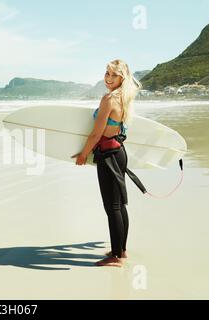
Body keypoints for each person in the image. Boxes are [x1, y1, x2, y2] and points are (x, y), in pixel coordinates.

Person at [72, 59, 142, 267]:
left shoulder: (109, 99)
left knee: (112, 207)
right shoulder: (125, 98)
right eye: (107, 73)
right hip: (119, 152)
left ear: (122, 78)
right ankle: (122, 250)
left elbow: (96, 134)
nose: (108, 78)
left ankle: (115, 258)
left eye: (113, 75)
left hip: (108, 155)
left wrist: (84, 154)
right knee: (120, 205)